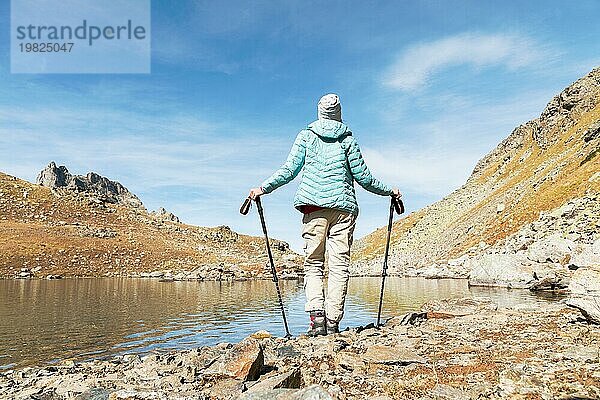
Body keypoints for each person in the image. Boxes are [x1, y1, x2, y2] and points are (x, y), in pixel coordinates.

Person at [248, 93, 401, 336]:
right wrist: (389, 191)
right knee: (340, 265)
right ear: (339, 113)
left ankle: (317, 321)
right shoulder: (347, 139)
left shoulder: (306, 136)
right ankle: (333, 322)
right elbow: (364, 178)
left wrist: (263, 188)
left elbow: (289, 170)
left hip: (313, 208)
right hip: (344, 209)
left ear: (319, 112)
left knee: (313, 263)